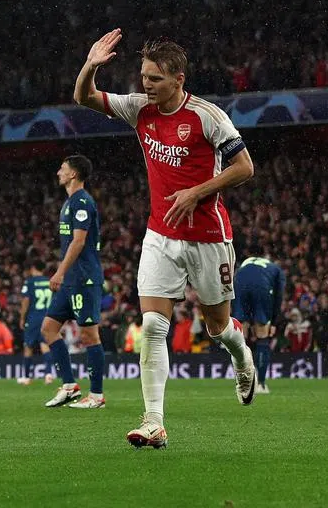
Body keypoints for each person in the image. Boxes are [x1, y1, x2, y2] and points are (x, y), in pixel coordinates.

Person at [74, 31, 255, 449]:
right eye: (142, 76)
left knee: (217, 326)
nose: (145, 85)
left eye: (154, 78)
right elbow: (85, 97)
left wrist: (197, 191)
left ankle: (241, 355)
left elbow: (245, 167)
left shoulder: (208, 116)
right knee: (154, 326)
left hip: (208, 236)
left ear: (178, 78)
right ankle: (153, 421)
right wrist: (90, 65)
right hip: (160, 234)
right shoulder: (140, 110)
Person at [42, 155, 107, 410]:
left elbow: (79, 242)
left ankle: (97, 396)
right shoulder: (69, 203)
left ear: (73, 175)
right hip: (70, 281)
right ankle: (69, 386)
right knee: (48, 328)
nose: (59, 171)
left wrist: (59, 272)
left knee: (90, 335)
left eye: (63, 168)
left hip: (84, 278)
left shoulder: (82, 202)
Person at [233, 255, 284, 394]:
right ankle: (260, 384)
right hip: (261, 285)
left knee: (240, 339)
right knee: (262, 336)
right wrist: (273, 322)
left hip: (239, 282)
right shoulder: (276, 269)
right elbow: (278, 297)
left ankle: (243, 382)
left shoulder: (245, 263)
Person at [17, 260, 55, 386]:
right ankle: (49, 374)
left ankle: (26, 377)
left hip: (33, 318)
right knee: (45, 345)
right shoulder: (49, 281)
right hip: (47, 318)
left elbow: (26, 300)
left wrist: (22, 317)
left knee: (28, 346)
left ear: (33, 268)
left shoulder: (30, 282)